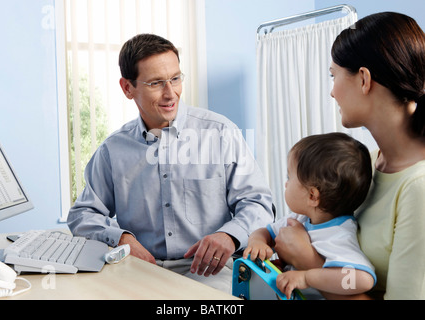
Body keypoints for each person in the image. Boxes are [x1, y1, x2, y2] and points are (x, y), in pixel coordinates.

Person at [67, 34, 274, 292]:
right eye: (156, 83)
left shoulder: (221, 133)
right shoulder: (113, 150)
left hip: (211, 275)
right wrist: (121, 238)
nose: (170, 93)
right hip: (139, 274)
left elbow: (258, 203)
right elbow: (82, 214)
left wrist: (229, 235)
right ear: (127, 88)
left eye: (175, 79)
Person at [275, 12, 425, 300]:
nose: (332, 92)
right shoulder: (365, 164)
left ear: (364, 79)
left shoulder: (418, 188)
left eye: (334, 76)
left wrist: (309, 265)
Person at [243, 132, 376, 299]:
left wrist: (308, 277)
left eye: (289, 177)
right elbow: (264, 232)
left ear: (312, 196)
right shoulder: (299, 219)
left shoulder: (338, 235)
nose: (286, 183)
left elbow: (364, 280)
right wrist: (257, 242)